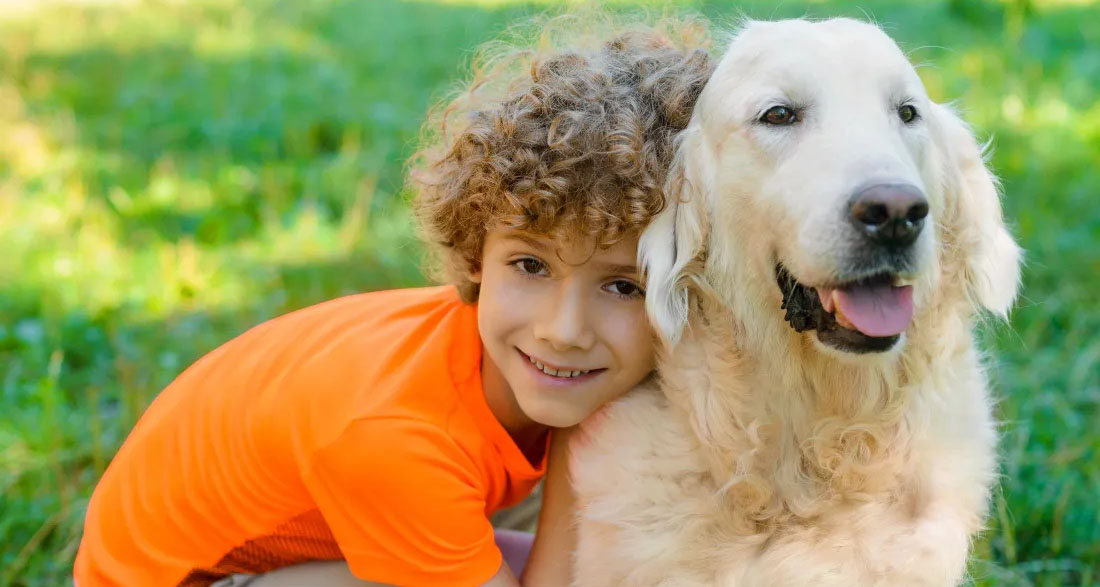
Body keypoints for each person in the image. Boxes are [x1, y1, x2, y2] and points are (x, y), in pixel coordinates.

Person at [73, 15, 712, 587]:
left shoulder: (500, 360)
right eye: (529, 265)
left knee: (642, 562)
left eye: (624, 285)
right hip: (200, 579)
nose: (564, 330)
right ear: (473, 259)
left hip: (308, 554)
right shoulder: (396, 438)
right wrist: (585, 445)